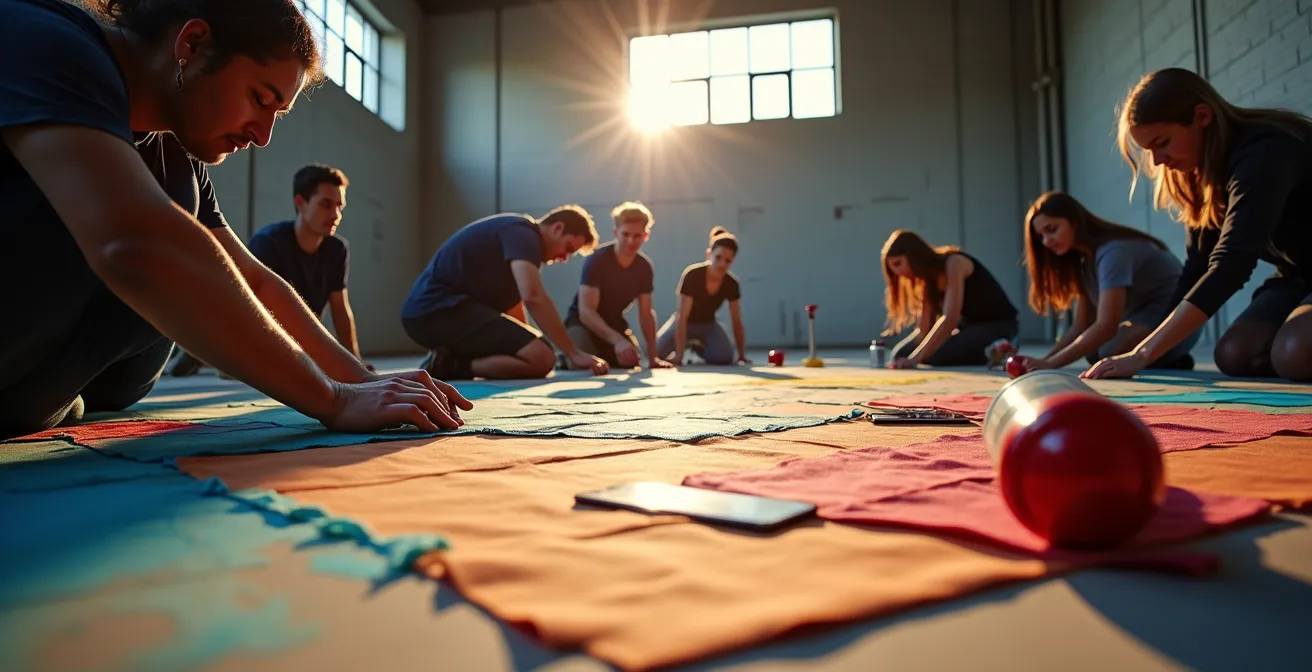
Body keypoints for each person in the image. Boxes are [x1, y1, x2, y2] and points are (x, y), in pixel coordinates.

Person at [0, 0, 469, 440]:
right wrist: (334, 400)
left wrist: (361, 379)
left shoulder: (177, 159)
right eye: (260, 99)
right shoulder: (47, 42)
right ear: (193, 44)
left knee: (184, 281)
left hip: (80, 369)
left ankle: (56, 402)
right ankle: (51, 403)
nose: (262, 135)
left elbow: (257, 284)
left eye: (277, 115)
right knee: (168, 259)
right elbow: (135, 244)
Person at [1085, 67, 1312, 381]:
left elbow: (1233, 261)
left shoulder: (1265, 150)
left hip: (1298, 275)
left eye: (1162, 143)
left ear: (1202, 116)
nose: (1157, 161)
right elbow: (1198, 267)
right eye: (1149, 150)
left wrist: (1142, 354)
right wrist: (1150, 340)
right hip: (1297, 276)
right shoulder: (1201, 175)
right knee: (1234, 354)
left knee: (1294, 353)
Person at [170, 163, 371, 376]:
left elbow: (340, 308)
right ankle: (203, 350)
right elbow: (244, 307)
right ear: (300, 202)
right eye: (326, 204)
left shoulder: (337, 249)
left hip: (296, 335)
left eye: (340, 206)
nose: (336, 214)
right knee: (249, 370)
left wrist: (354, 362)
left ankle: (208, 354)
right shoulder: (268, 242)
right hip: (256, 329)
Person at [401, 207, 610, 380]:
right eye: (568, 248)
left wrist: (529, 342)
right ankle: (448, 367)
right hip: (436, 311)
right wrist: (572, 353)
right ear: (557, 228)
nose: (564, 258)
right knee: (542, 358)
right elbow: (533, 296)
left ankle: (449, 359)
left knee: (536, 351)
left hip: (435, 314)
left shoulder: (520, 242)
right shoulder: (523, 233)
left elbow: (515, 309)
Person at [1012, 191, 1199, 374]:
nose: (1046, 241)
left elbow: (1107, 325)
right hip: (1142, 320)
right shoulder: (1085, 261)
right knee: (1094, 353)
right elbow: (1081, 325)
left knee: (1108, 352)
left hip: (1176, 323)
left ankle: (1170, 355)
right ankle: (1162, 358)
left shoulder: (1113, 252)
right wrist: (1044, 362)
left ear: (1075, 222)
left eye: (1052, 230)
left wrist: (1051, 364)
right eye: (1041, 236)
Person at [880, 229, 1020, 368]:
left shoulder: (954, 263)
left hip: (998, 326)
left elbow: (950, 319)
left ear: (914, 256)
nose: (898, 273)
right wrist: (908, 355)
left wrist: (915, 358)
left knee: (934, 356)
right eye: (893, 269)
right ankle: (991, 351)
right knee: (900, 355)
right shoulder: (928, 281)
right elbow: (924, 329)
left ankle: (1001, 348)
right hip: (969, 328)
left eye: (898, 264)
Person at [562, 202, 673, 370]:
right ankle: (565, 356)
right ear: (616, 232)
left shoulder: (644, 267)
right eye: (625, 234)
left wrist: (652, 357)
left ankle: (606, 352)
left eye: (637, 236)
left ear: (646, 235)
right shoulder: (597, 261)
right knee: (583, 365)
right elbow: (586, 312)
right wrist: (618, 340)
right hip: (581, 324)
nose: (630, 241)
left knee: (631, 362)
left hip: (614, 324)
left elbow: (646, 313)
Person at [655, 226, 751, 365]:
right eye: (718, 257)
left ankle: (698, 347)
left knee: (724, 357)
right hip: (685, 323)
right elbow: (682, 318)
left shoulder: (732, 283)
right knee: (657, 351)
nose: (722, 264)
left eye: (728, 261)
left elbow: (736, 321)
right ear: (708, 254)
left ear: (732, 261)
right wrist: (679, 356)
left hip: (708, 325)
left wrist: (742, 355)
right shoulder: (692, 275)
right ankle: (684, 345)